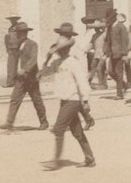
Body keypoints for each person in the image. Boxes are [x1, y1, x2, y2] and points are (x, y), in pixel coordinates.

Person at [40, 23, 96, 171]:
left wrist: (84, 101)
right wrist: (47, 58)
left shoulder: (72, 63)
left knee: (58, 129)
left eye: (61, 49)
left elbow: (82, 82)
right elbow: (43, 73)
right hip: (65, 100)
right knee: (77, 131)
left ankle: (56, 161)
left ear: (67, 49)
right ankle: (89, 158)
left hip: (74, 100)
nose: (59, 52)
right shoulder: (57, 62)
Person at [0, 21, 48, 129]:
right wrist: (12, 77)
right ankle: (9, 122)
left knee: (37, 100)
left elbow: (33, 60)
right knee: (14, 99)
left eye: (21, 33)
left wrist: (25, 70)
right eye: (18, 33)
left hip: (31, 78)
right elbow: (14, 61)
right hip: (20, 79)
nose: (19, 35)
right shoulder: (17, 46)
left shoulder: (33, 44)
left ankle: (44, 122)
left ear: (25, 33)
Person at [107, 10, 131, 97]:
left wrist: (124, 53)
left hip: (120, 53)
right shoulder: (111, 27)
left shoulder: (121, 26)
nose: (109, 20)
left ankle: (119, 94)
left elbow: (125, 41)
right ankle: (125, 85)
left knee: (119, 72)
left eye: (111, 18)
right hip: (112, 53)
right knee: (110, 72)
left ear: (115, 18)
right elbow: (109, 41)